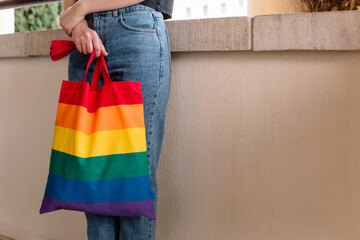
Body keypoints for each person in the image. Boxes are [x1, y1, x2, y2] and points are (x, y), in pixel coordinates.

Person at [59, 0, 174, 239]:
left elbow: (77, 7)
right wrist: (79, 25)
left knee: (135, 179)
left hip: (136, 30)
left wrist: (80, 9)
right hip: (86, 39)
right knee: (92, 176)